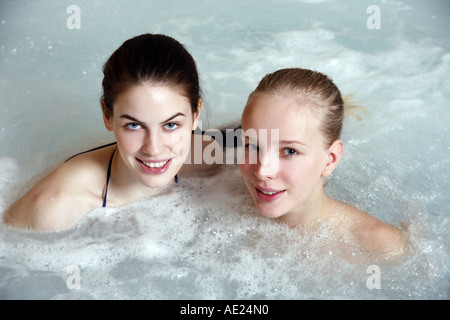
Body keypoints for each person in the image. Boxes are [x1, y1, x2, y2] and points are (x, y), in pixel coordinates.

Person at [3, 34, 220, 231]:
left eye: (171, 125)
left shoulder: (210, 157)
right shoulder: (53, 210)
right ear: (107, 116)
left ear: (195, 114)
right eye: (134, 125)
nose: (154, 149)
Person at [240, 68, 408, 257]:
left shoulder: (379, 247)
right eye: (252, 146)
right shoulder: (221, 196)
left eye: (290, 151)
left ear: (330, 159)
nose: (262, 171)